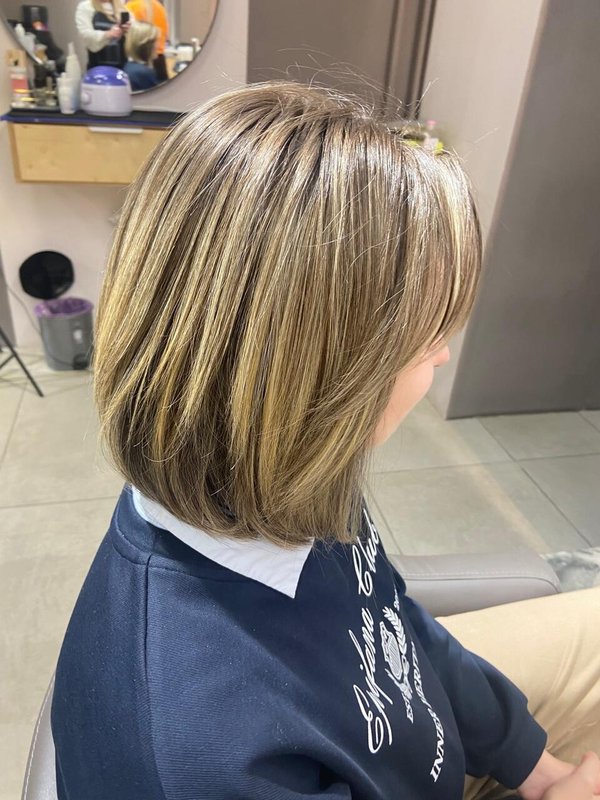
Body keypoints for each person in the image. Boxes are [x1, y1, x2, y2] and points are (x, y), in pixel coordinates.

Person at [49, 82, 600, 800]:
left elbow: (389, 622)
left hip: (412, 731)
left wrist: (540, 768)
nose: (442, 355)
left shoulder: (275, 478)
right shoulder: (202, 760)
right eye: (427, 333)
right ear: (317, 377)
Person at [75, 0, 131, 70]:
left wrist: (128, 30)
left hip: (123, 66)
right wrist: (108, 34)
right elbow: (85, 34)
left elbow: (135, 37)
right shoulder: (86, 7)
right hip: (98, 67)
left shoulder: (121, 7)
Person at [125, 0, 169, 82]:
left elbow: (132, 36)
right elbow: (165, 33)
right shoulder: (158, 6)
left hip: (142, 56)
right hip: (158, 57)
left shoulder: (131, 6)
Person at [124, 21, 159, 91]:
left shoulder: (129, 67)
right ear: (147, 46)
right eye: (155, 42)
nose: (157, 45)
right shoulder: (143, 73)